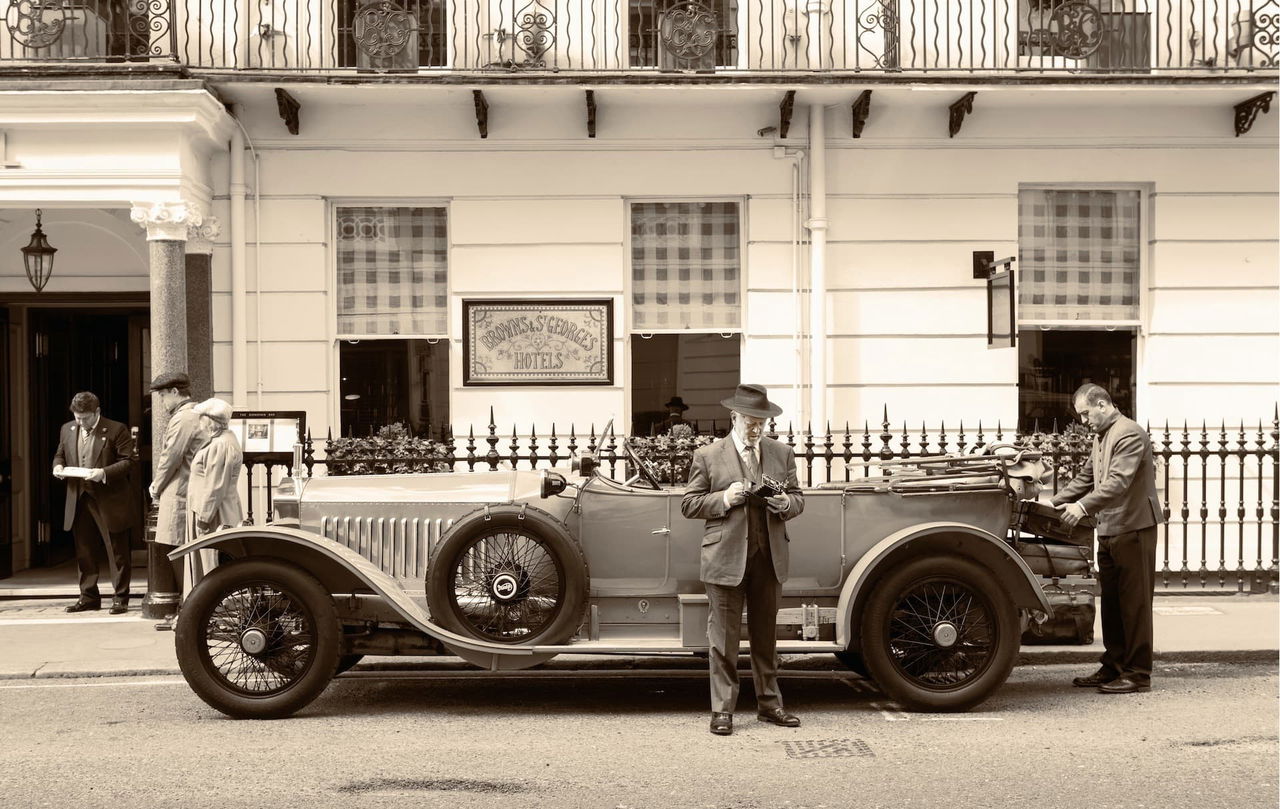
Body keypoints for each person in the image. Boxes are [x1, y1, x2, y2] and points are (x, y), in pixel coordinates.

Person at [681, 383, 804, 735]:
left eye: (762, 422)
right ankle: (723, 711)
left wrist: (786, 505)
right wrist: (724, 498)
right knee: (723, 640)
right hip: (724, 557)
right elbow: (689, 504)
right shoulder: (708, 455)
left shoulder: (781, 453)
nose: (757, 428)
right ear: (734, 417)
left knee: (766, 638)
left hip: (769, 557)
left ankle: (770, 705)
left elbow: (797, 497)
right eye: (751, 421)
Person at [1052, 383, 1165, 694]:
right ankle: (1114, 665)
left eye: (1086, 414)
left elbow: (1118, 482)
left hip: (1134, 528)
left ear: (1102, 404)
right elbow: (1086, 477)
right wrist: (1053, 502)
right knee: (1113, 604)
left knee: (1135, 604)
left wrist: (1082, 506)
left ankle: (1138, 673)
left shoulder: (1129, 433)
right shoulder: (1101, 437)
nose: (1084, 421)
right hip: (1110, 528)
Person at [53, 392, 136, 614]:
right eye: (77, 417)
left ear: (97, 412)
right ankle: (88, 596)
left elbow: (128, 462)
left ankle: (120, 598)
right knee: (84, 550)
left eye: (85, 418)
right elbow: (60, 454)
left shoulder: (116, 429)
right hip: (79, 498)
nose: (80, 422)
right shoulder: (67, 429)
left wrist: (103, 473)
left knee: (116, 550)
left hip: (109, 499)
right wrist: (58, 467)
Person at [148, 371, 205, 630]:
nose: (162, 402)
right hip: (183, 490)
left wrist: (155, 486)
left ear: (174, 392)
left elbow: (170, 457)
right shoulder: (193, 415)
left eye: (162, 395)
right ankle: (186, 610)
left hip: (180, 492)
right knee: (181, 553)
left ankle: (188, 613)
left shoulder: (184, 418)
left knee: (182, 554)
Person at [188, 398, 244, 537]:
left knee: (211, 556)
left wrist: (204, 519)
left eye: (201, 417)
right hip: (213, 513)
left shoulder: (221, 445)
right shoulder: (221, 441)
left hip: (216, 517)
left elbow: (215, 486)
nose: (199, 421)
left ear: (209, 421)